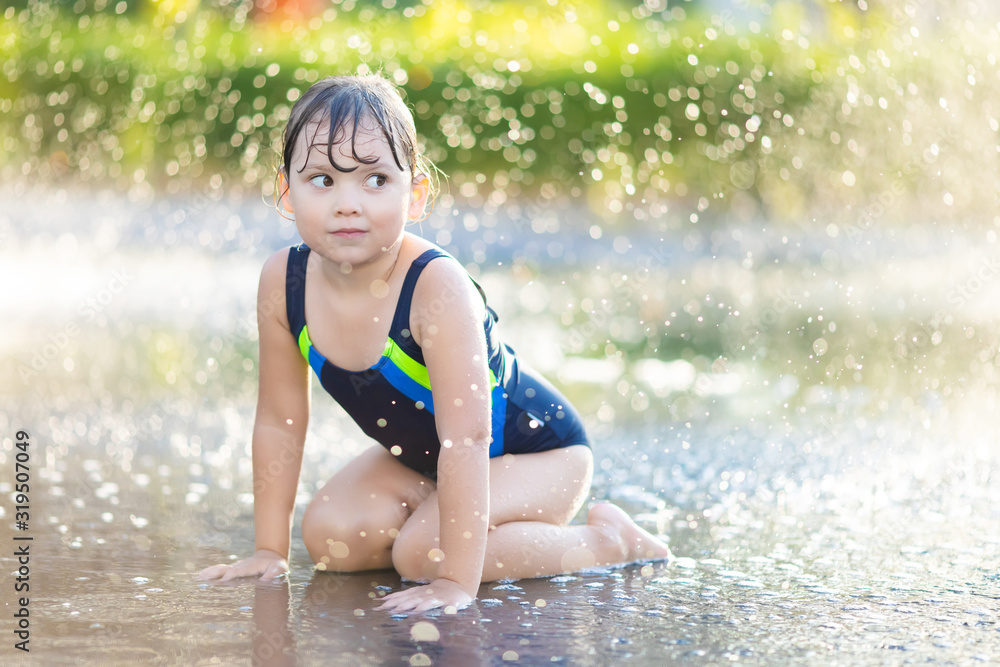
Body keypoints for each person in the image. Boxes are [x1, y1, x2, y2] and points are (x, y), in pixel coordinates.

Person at [198, 73, 671, 613]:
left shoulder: (434, 287)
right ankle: (437, 527)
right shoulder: (284, 282)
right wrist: (268, 549)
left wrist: (455, 583)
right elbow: (278, 419)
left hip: (538, 457)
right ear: (286, 190)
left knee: (424, 555)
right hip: (429, 461)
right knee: (333, 538)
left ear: (416, 193)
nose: (348, 203)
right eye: (323, 180)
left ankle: (608, 542)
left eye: (375, 180)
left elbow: (468, 440)